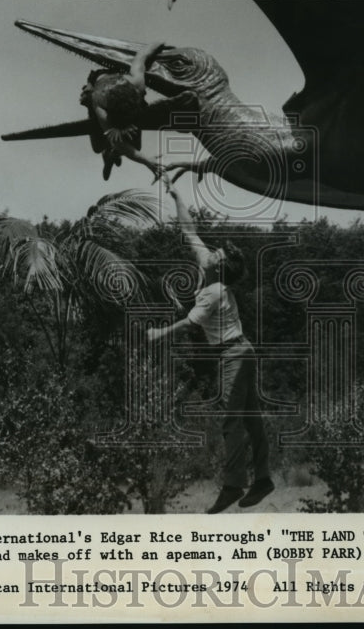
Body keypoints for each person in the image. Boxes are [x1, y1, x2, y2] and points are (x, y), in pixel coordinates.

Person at [146, 180, 274, 514]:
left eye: (216, 253)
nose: (211, 250)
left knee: (232, 421)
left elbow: (190, 323)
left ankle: (233, 485)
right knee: (251, 418)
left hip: (233, 354)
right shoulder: (209, 266)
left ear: (219, 266)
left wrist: (159, 334)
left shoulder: (213, 291)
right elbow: (189, 231)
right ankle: (262, 478)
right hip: (242, 352)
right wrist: (177, 196)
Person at [81, 40, 166, 180]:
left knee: (136, 146)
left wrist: (160, 43)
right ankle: (107, 152)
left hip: (123, 93)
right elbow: (120, 144)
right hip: (98, 85)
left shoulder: (137, 81)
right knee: (98, 147)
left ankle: (112, 153)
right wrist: (147, 161)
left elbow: (143, 54)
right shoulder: (98, 102)